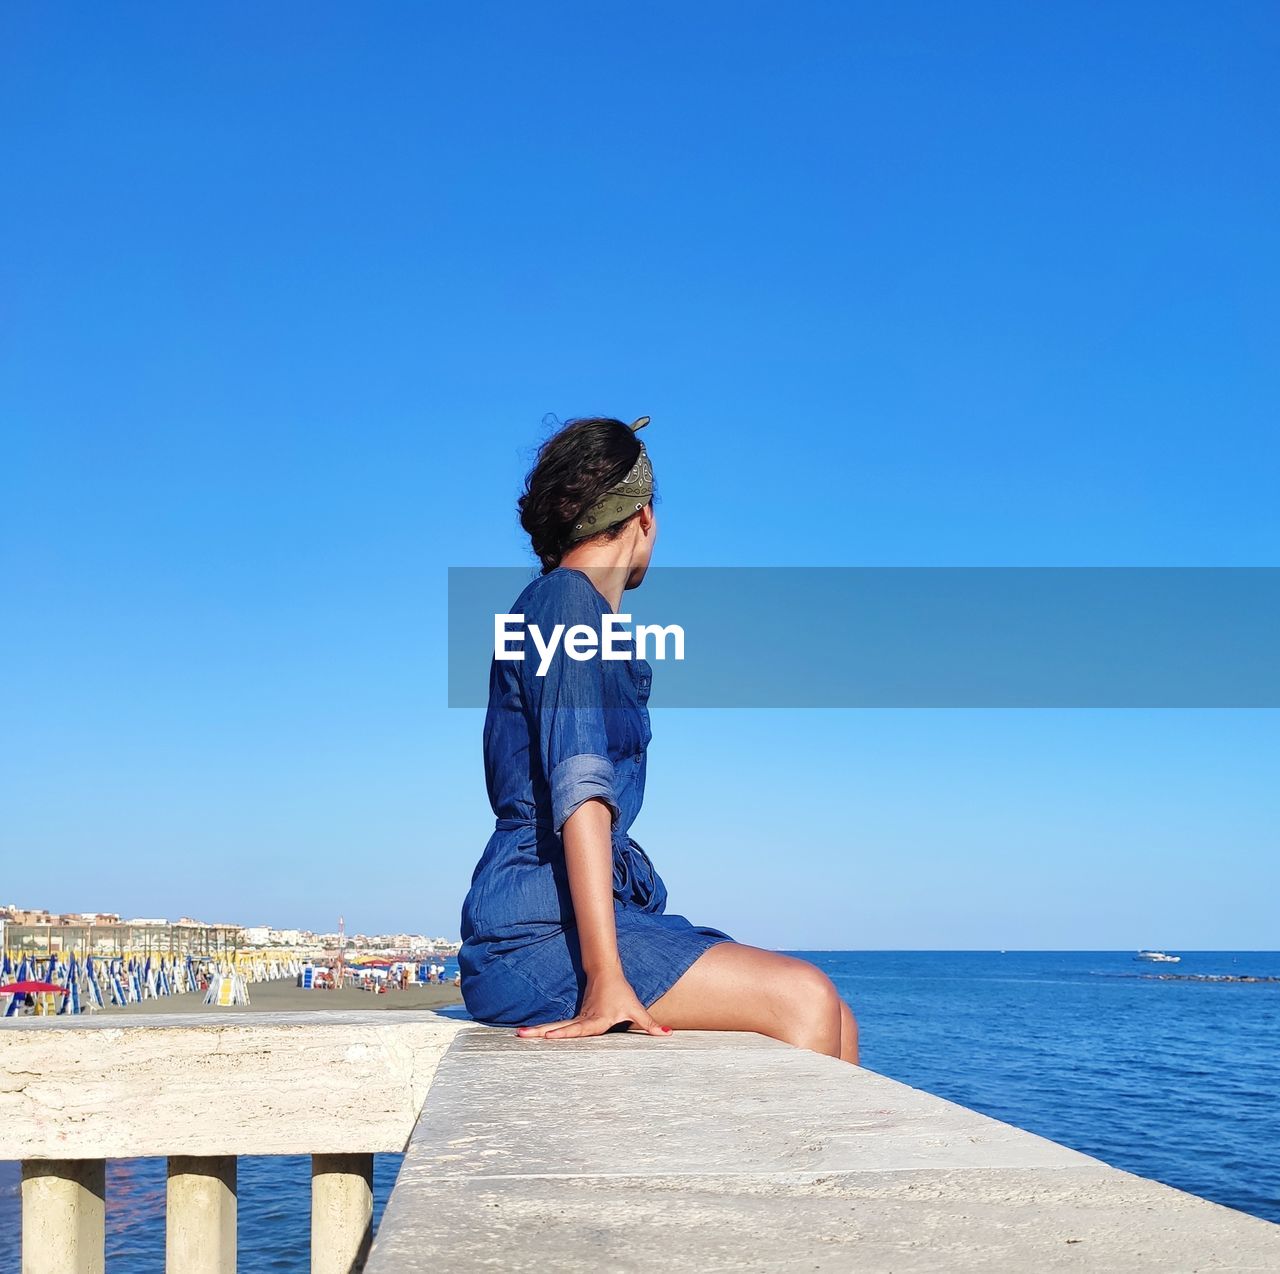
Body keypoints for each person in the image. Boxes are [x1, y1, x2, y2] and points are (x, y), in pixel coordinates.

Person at [458, 416, 857, 1063]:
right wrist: (605, 977)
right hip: (535, 930)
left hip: (586, 915)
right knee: (803, 997)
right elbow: (580, 787)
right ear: (642, 516)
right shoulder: (565, 603)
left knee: (837, 1012)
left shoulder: (584, 619)